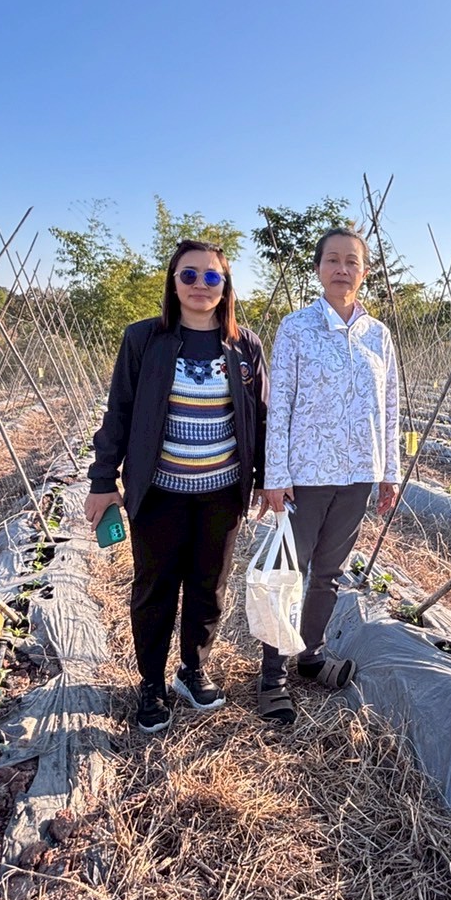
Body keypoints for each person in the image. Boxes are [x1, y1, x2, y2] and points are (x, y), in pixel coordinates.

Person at [86, 240, 267, 734]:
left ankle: (193, 669)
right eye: (190, 275)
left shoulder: (244, 345)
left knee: (208, 587)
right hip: (160, 491)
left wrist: (266, 480)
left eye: (213, 277)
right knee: (155, 588)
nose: (200, 286)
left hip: (222, 492)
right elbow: (118, 411)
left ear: (225, 286)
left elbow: (262, 418)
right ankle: (151, 683)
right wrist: (103, 480)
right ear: (173, 281)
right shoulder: (145, 339)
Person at [258, 226, 401, 725]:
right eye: (333, 260)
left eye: (352, 262)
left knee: (328, 574)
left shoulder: (378, 335)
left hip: (358, 473)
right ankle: (272, 675)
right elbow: (280, 410)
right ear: (318, 268)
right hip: (306, 474)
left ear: (365, 273)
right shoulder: (296, 328)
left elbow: (391, 408)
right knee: (286, 573)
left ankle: (311, 656)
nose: (343, 269)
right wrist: (274, 474)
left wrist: (390, 472)